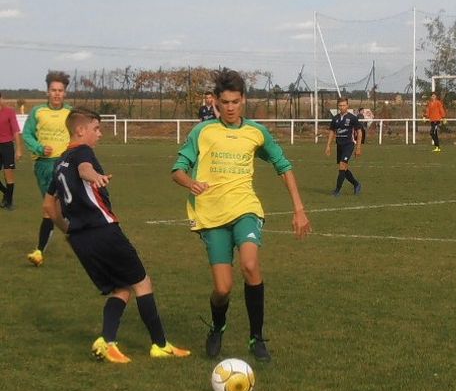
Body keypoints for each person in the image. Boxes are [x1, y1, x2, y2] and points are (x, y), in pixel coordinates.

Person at [171, 68, 311, 363]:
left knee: (249, 265)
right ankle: (218, 326)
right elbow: (178, 169)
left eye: (235, 101)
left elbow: (283, 166)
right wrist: (190, 182)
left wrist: (299, 209)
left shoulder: (256, 132)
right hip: (211, 214)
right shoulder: (202, 132)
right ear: (215, 102)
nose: (231, 108)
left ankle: (256, 338)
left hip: (246, 208)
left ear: (243, 100)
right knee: (222, 289)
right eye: (225, 102)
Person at [44, 108, 191, 363]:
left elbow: (48, 206)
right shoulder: (83, 152)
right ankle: (160, 345)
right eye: (96, 128)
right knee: (142, 282)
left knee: (120, 288)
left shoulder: (59, 163)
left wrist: (68, 229)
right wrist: (96, 177)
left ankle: (107, 341)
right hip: (103, 231)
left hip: (80, 239)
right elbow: (85, 170)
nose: (100, 134)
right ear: (80, 130)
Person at [22, 70, 72, 265]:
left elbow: (79, 135)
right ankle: (74, 235)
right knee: (52, 207)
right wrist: (39, 148)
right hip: (43, 165)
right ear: (47, 92)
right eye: (53, 90)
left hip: (64, 165)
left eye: (60, 90)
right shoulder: (38, 112)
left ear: (65, 93)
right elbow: (27, 134)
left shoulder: (70, 113)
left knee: (50, 207)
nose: (57, 93)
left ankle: (39, 251)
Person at [325, 96, 362, 196]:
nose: (342, 107)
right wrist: (328, 146)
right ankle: (356, 184)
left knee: (342, 165)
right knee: (344, 169)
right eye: (340, 105)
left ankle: (337, 191)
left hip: (349, 145)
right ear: (338, 106)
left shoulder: (352, 118)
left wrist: (358, 148)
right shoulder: (335, 118)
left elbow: (359, 132)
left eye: (344, 105)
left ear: (347, 105)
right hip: (339, 145)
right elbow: (332, 132)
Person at [0, 91, 22, 208]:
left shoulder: (9, 112)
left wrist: (18, 149)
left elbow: (16, 131)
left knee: (8, 174)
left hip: (7, 146)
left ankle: (9, 202)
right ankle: (6, 193)